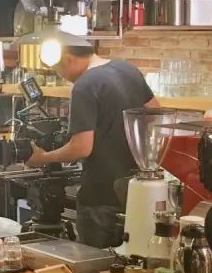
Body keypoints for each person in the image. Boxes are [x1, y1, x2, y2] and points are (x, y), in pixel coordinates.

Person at [26, 45, 157, 248]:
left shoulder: (84, 85)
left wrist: (43, 157)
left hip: (100, 197)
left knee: (96, 263)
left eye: (57, 70)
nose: (61, 76)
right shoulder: (128, 69)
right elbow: (154, 113)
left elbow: (81, 147)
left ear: (67, 58)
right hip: (136, 191)